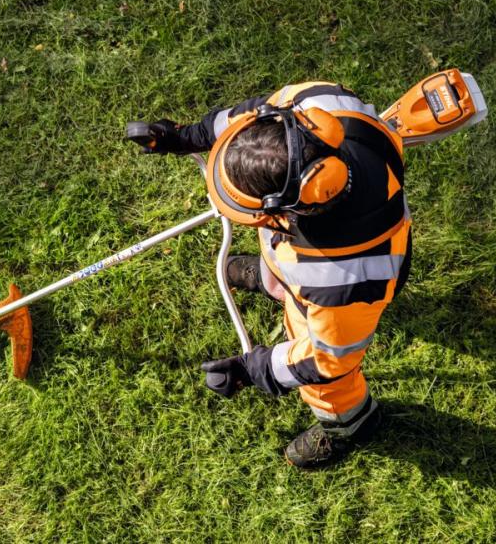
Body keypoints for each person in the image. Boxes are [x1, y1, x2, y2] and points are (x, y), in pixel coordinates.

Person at [138, 81, 411, 469]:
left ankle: (351, 424)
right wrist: (186, 137)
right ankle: (274, 278)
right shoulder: (316, 106)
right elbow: (255, 111)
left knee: (328, 386)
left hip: (339, 294)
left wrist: (256, 369)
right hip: (305, 248)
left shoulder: (339, 285)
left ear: (280, 215)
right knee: (282, 260)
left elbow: (325, 359)